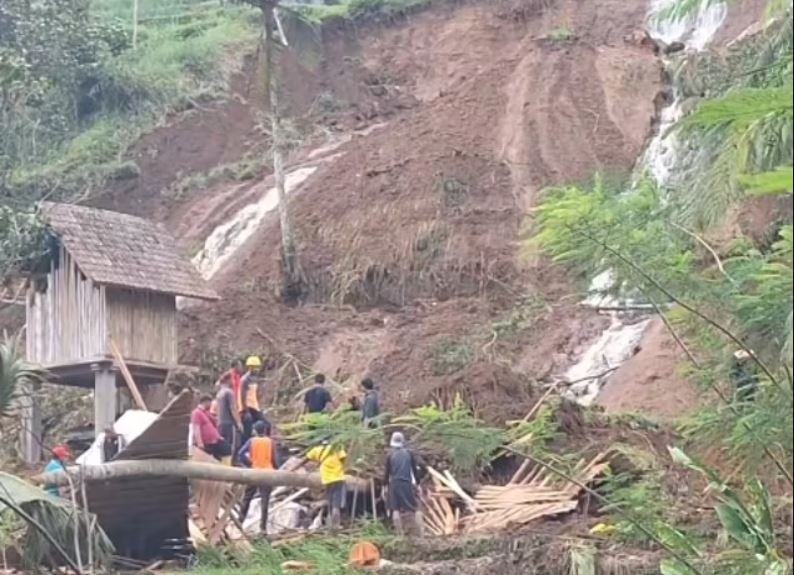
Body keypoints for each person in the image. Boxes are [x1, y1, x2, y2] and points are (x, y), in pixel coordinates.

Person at [238, 420, 279, 534]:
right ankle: (263, 528)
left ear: (255, 431)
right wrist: (276, 468)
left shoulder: (252, 441)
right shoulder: (270, 442)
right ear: (265, 430)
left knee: (247, 498)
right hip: (267, 473)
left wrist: (249, 464)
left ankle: (240, 521)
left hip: (255, 472)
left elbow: (241, 454)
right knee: (265, 500)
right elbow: (274, 459)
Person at [383, 432, 425, 536]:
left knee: (395, 508)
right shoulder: (409, 454)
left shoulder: (390, 455)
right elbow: (414, 471)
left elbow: (387, 473)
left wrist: (385, 486)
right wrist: (418, 484)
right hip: (407, 483)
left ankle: (399, 534)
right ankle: (421, 533)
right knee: (415, 507)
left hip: (394, 484)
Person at [305, 440, 347, 529]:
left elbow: (305, 459)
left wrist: (293, 468)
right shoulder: (337, 448)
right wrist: (343, 468)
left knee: (330, 502)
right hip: (338, 478)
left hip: (327, 480)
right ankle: (336, 525)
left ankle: (330, 524)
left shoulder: (316, 450)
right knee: (336, 504)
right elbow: (343, 459)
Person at [191, 394, 230, 461]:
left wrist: (218, 436)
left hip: (215, 441)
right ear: (206, 402)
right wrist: (200, 443)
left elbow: (213, 425)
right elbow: (196, 428)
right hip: (207, 442)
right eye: (210, 403)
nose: (210, 405)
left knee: (226, 450)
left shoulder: (206, 412)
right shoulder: (196, 413)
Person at [215, 373, 243, 464]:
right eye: (232, 379)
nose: (233, 381)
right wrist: (239, 422)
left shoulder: (219, 393)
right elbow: (233, 409)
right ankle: (231, 464)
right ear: (228, 380)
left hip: (220, 424)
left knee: (223, 446)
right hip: (229, 424)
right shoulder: (229, 392)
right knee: (231, 446)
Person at [240, 355, 267, 442]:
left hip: (254, 407)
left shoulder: (255, 379)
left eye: (257, 367)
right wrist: (245, 411)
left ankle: (264, 443)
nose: (257, 369)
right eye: (255, 367)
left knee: (266, 424)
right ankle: (246, 445)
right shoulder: (245, 379)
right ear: (250, 367)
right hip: (247, 407)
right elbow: (242, 396)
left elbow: (255, 394)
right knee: (248, 426)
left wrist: (259, 407)